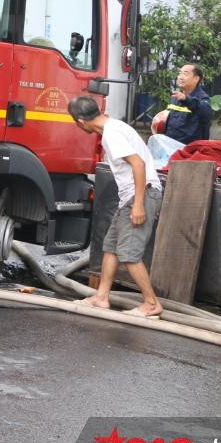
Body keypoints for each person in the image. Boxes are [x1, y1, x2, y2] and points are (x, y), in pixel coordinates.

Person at [68, 96, 164, 318]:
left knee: (129, 254)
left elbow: (138, 164)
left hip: (141, 194)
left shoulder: (111, 135)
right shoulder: (113, 127)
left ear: (81, 122)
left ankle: (151, 303)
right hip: (130, 197)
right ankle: (101, 297)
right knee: (110, 247)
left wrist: (138, 204)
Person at [162, 64, 212, 145]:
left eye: (185, 74)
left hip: (190, 151)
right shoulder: (176, 96)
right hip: (170, 147)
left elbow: (205, 111)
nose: (180, 77)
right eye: (180, 73)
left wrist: (186, 99)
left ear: (196, 78)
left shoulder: (202, 98)